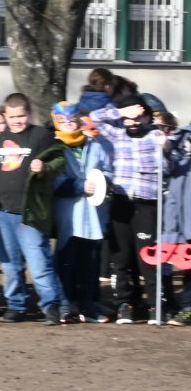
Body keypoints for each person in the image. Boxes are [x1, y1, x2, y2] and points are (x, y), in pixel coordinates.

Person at [0, 94, 57, 323]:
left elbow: (59, 162)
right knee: (10, 264)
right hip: (3, 212)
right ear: (5, 116)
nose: (17, 121)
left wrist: (45, 167)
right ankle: (16, 304)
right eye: (12, 116)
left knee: (39, 261)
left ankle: (51, 305)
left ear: (30, 114)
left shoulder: (41, 135)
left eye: (21, 116)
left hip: (30, 212)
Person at [98, 88, 168, 323]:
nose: (133, 121)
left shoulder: (155, 137)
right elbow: (92, 118)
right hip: (121, 202)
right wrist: (120, 111)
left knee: (147, 258)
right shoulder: (117, 133)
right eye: (129, 117)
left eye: (138, 117)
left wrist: (164, 149)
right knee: (121, 258)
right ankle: (124, 304)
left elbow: (167, 170)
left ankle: (155, 305)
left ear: (147, 117)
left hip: (147, 204)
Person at [51, 102, 111, 324]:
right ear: (57, 122)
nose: (69, 124)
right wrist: (79, 185)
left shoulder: (93, 145)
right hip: (68, 214)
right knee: (66, 260)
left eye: (73, 119)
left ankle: (88, 304)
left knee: (89, 262)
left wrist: (105, 183)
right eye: (63, 121)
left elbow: (106, 170)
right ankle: (66, 306)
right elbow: (53, 180)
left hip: (93, 214)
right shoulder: (54, 146)